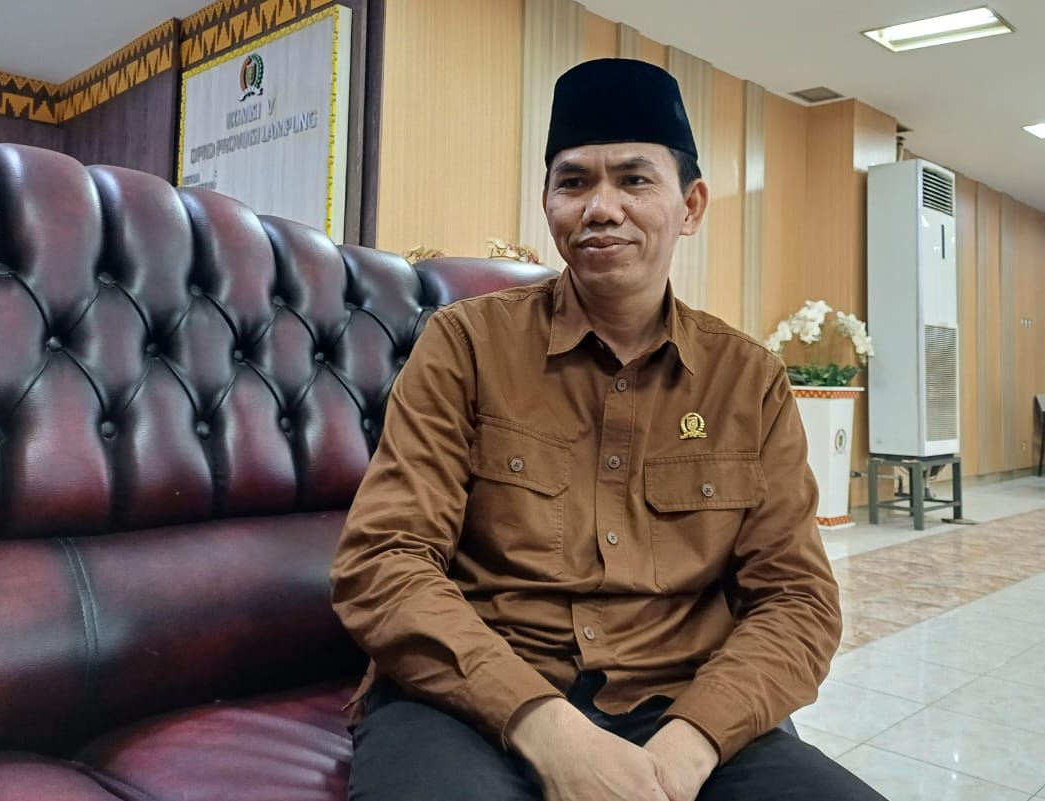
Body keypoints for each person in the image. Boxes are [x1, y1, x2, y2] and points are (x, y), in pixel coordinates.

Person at [331, 58, 886, 801]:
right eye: (573, 182)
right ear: (548, 204)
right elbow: (384, 559)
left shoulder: (748, 381)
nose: (600, 208)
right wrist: (547, 729)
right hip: (472, 700)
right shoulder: (465, 345)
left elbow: (797, 600)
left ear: (690, 205)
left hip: (678, 705)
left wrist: (688, 748)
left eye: (633, 180)